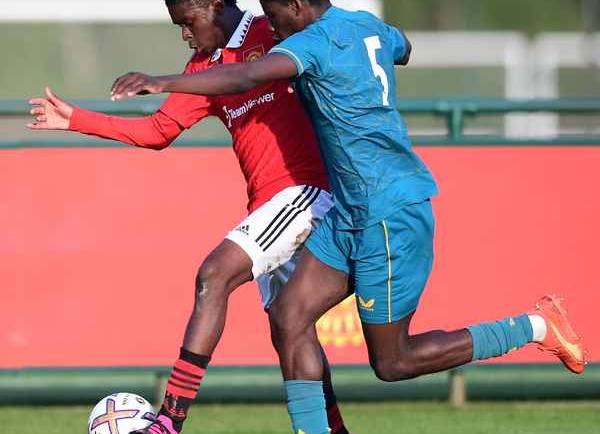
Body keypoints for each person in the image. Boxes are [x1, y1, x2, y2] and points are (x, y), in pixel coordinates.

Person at [109, 1, 588, 433]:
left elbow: (246, 76)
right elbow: (404, 46)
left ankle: (535, 326)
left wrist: (164, 81)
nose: (273, 28)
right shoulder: (363, 25)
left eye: (275, 16)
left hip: (388, 212)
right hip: (347, 211)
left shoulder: (313, 42)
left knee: (393, 362)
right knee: (289, 317)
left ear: (297, 6)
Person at [27, 1, 353, 434]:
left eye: (187, 23)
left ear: (216, 6)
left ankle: (168, 422)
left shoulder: (271, 31)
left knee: (214, 275)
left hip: (306, 193)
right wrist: (77, 120)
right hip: (270, 207)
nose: (184, 34)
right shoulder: (202, 68)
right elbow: (158, 130)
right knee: (291, 333)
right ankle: (332, 429)